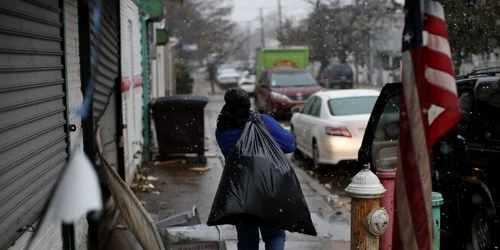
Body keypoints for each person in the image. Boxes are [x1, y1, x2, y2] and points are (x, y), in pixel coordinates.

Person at [215, 88, 295, 250]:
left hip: (239, 191)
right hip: (269, 187)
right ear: (248, 104)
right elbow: (289, 144)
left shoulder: (222, 130)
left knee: (246, 240)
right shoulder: (262, 122)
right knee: (274, 236)